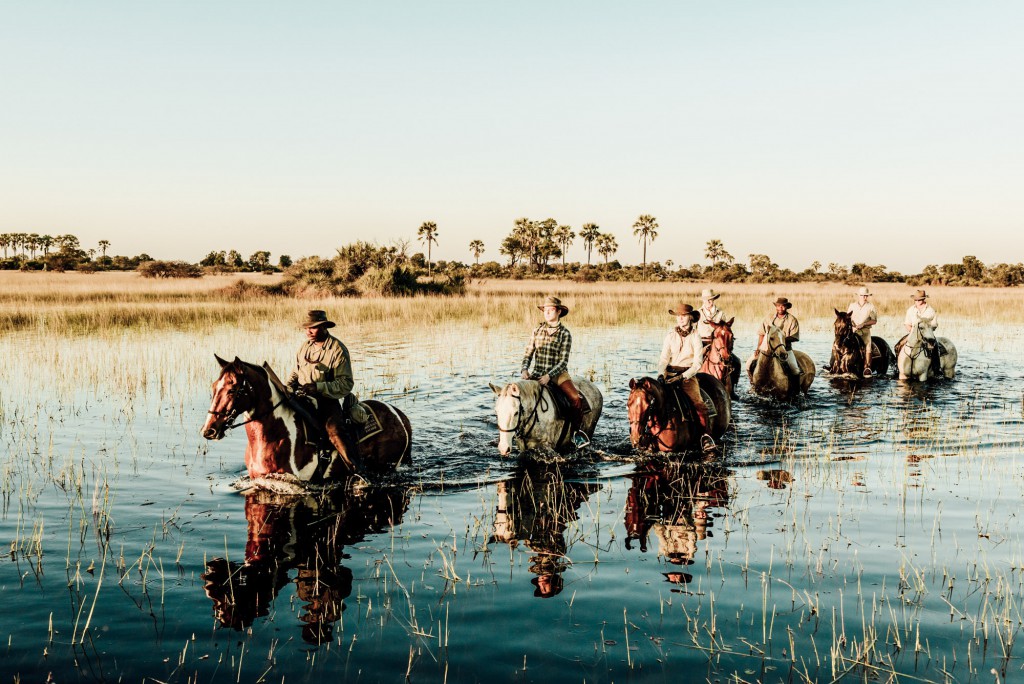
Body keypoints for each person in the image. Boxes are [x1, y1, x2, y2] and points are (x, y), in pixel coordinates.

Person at [286, 310, 362, 473]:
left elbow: (346, 383)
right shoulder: (304, 347)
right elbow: (296, 372)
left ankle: (356, 470)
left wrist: (319, 387)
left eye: (313, 328)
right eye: (306, 328)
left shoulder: (337, 349)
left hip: (327, 401)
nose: (308, 332)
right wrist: (287, 387)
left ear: (324, 327)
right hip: (303, 398)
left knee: (334, 431)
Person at [521, 295, 588, 448]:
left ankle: (576, 433)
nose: (547, 313)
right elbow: (528, 353)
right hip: (537, 372)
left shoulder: (565, 333)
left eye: (550, 310)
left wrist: (549, 376)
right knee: (517, 398)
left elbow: (563, 361)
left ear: (558, 312)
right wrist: (524, 369)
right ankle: (516, 431)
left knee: (576, 399)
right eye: (545, 310)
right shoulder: (537, 330)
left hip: (558, 374)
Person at [658, 303, 715, 452]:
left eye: (683, 316)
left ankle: (706, 437)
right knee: (653, 400)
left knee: (699, 404)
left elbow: (697, 363)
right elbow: (664, 358)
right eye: (678, 316)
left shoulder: (695, 336)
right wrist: (660, 374)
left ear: (690, 317)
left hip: (688, 376)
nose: (680, 319)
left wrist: (683, 376)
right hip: (669, 374)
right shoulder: (670, 335)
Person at [752, 297, 802, 377]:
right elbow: (762, 333)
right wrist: (758, 348)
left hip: (785, 349)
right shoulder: (768, 318)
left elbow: (795, 337)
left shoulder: (792, 320)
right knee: (749, 365)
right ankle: (753, 383)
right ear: (776, 307)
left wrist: (780, 340)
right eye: (778, 306)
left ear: (786, 307)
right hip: (767, 350)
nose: (780, 308)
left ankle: (796, 385)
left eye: (783, 306)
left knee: (795, 370)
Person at [900, 289, 941, 377]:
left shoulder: (930, 310)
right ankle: (898, 367)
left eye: (919, 300)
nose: (917, 301)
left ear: (924, 299)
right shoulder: (910, 310)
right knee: (898, 346)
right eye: (916, 300)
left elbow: (934, 325)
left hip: (927, 335)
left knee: (935, 349)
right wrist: (912, 332)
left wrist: (926, 330)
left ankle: (936, 369)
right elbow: (907, 323)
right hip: (912, 334)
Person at [848, 286, 879, 378]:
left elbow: (874, 321)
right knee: (840, 343)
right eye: (862, 295)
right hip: (853, 330)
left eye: (866, 295)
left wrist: (864, 324)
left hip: (865, 331)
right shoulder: (852, 305)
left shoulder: (871, 306)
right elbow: (848, 317)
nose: (864, 297)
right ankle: (833, 363)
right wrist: (852, 325)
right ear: (858, 296)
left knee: (868, 346)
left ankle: (867, 367)